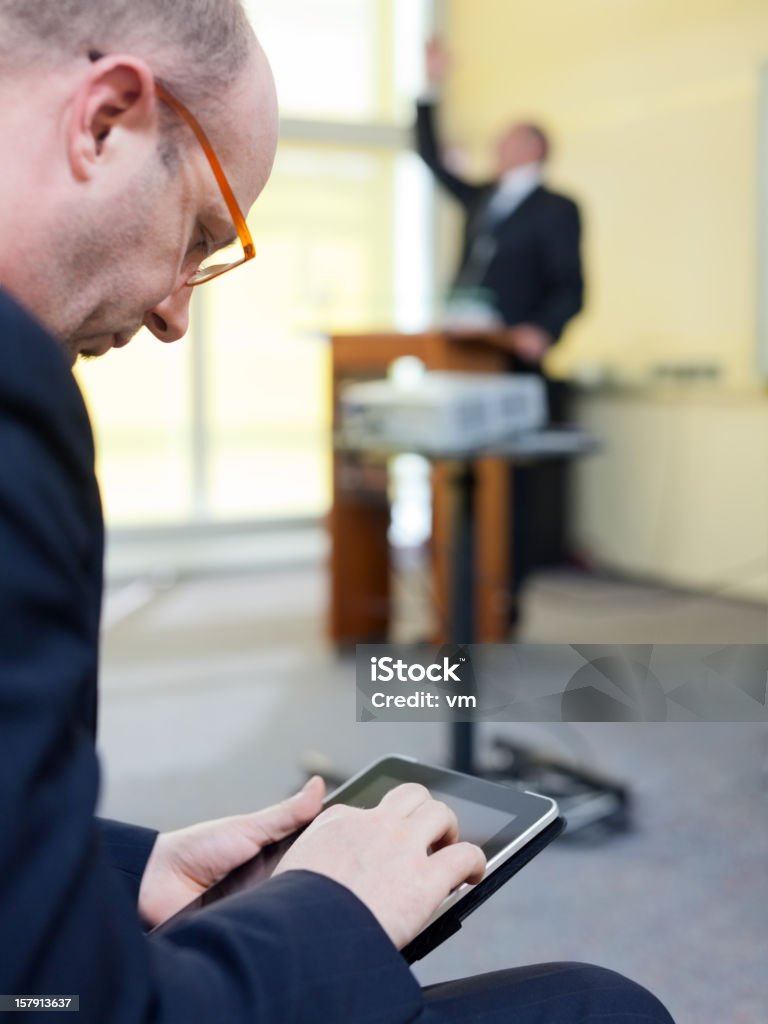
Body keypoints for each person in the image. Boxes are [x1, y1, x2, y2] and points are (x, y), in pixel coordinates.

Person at [0, 2, 675, 1021]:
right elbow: (71, 1004)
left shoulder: (557, 208)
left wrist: (125, 865)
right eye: (198, 236)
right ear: (104, 120)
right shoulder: (14, 404)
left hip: (516, 368)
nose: (178, 311)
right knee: (601, 1008)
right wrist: (338, 905)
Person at [416, 38, 585, 604]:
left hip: (512, 359)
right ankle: (455, 601)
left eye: (510, 138)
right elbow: (432, 159)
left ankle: (500, 601)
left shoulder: (557, 209)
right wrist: (431, 87)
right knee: (457, 483)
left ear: (535, 149)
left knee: (509, 494)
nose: (498, 144)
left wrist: (542, 328)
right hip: (465, 354)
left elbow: (572, 286)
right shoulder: (484, 197)